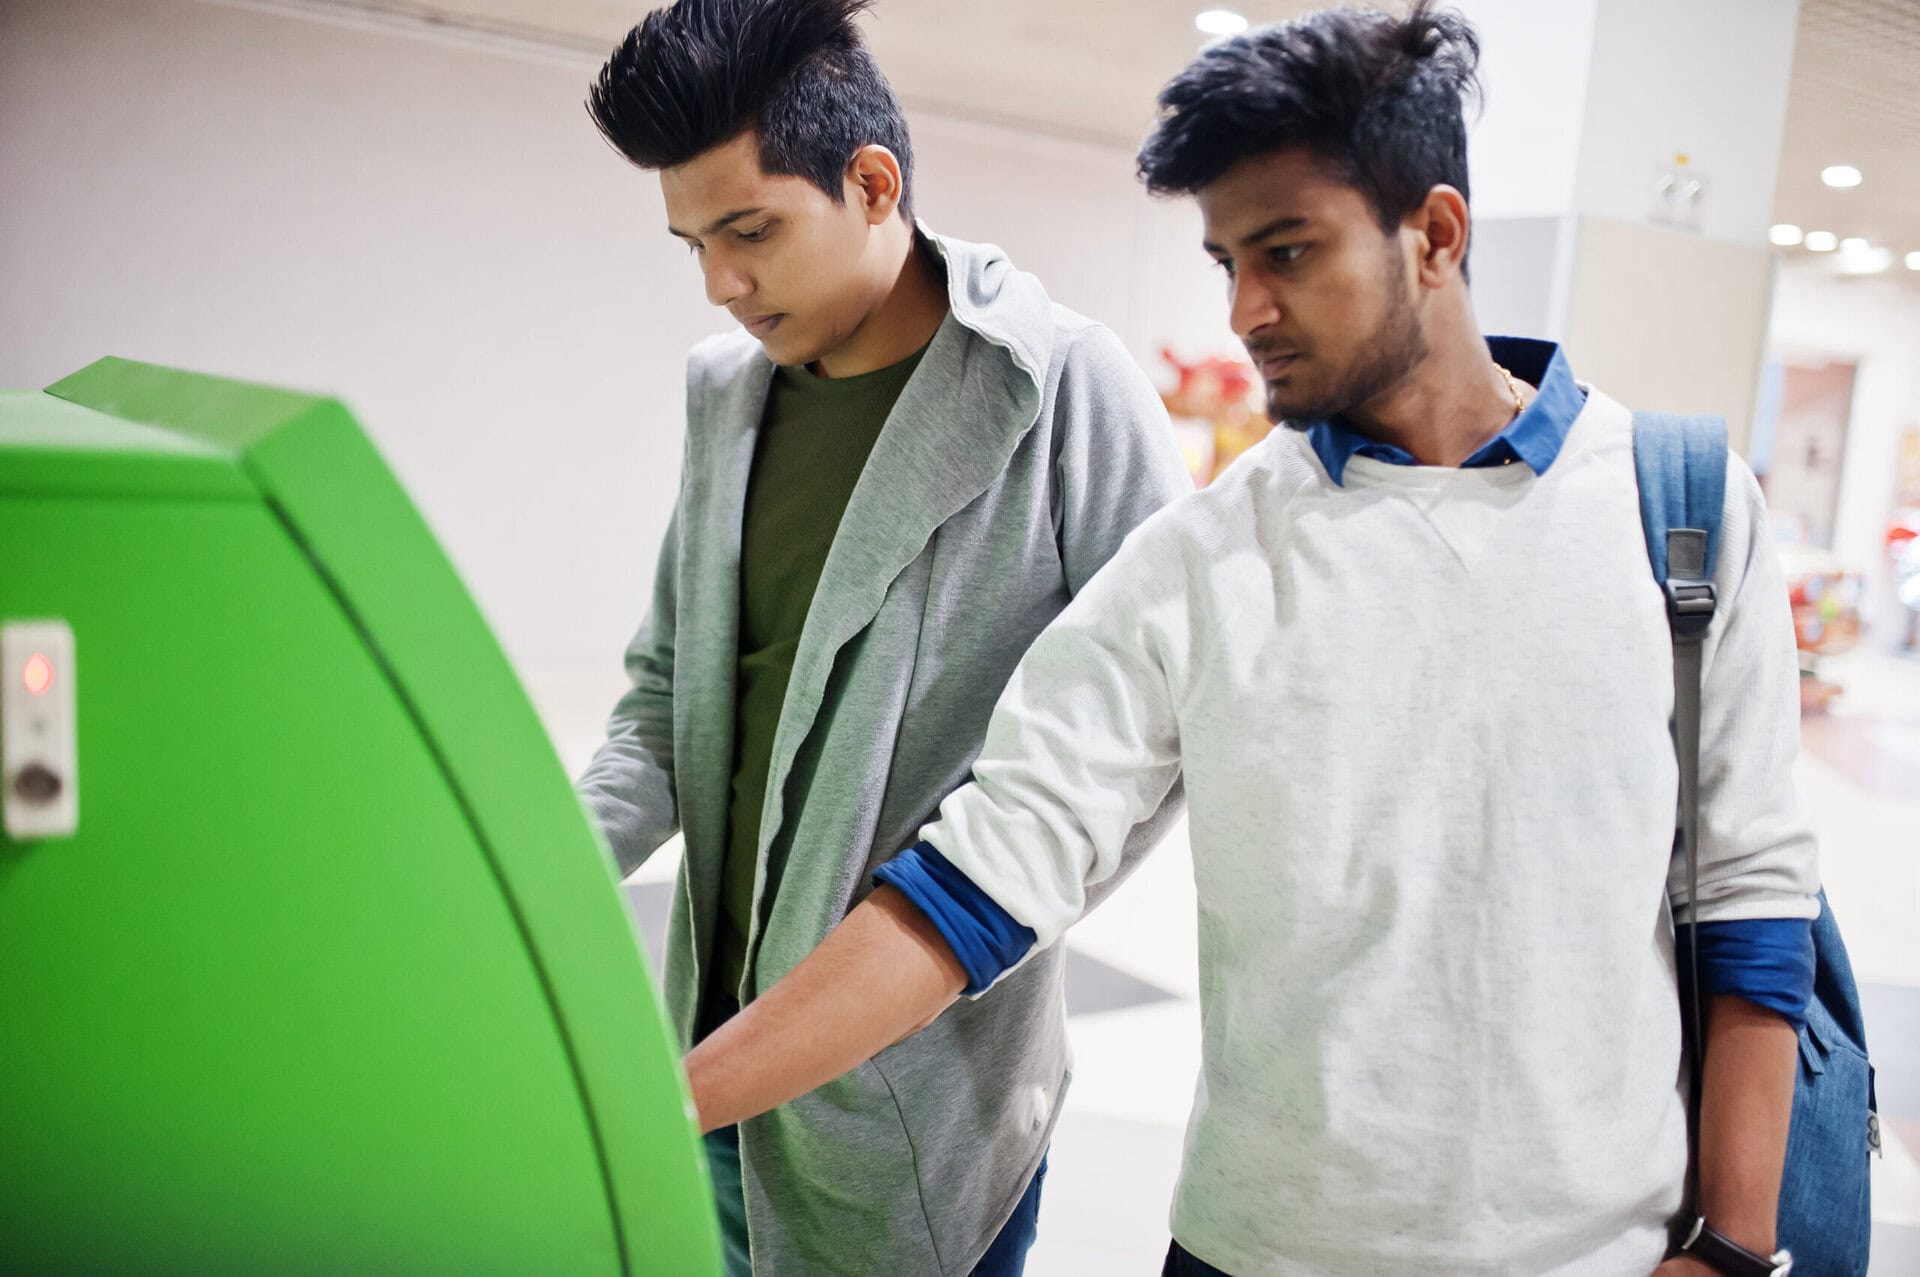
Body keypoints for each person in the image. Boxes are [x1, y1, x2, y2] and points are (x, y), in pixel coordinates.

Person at [677, 5, 1821, 1274]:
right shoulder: (1198, 558)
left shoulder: (1684, 510)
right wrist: (667, 1101)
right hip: (1260, 1250)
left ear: (1435, 234)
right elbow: (974, 884)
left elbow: (1748, 900)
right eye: (1226, 262)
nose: (1246, 309)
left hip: (1604, 1248)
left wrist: (1731, 1246)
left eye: (1287, 252)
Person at [574, 0, 1190, 1271]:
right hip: (700, 1044)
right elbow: (664, 695)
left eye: (750, 231)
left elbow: (1154, 736)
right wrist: (543, 870)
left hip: (924, 1095)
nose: (722, 282)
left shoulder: (1063, 385)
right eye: (694, 243)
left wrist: (955, 935)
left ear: (870, 183)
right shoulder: (725, 393)